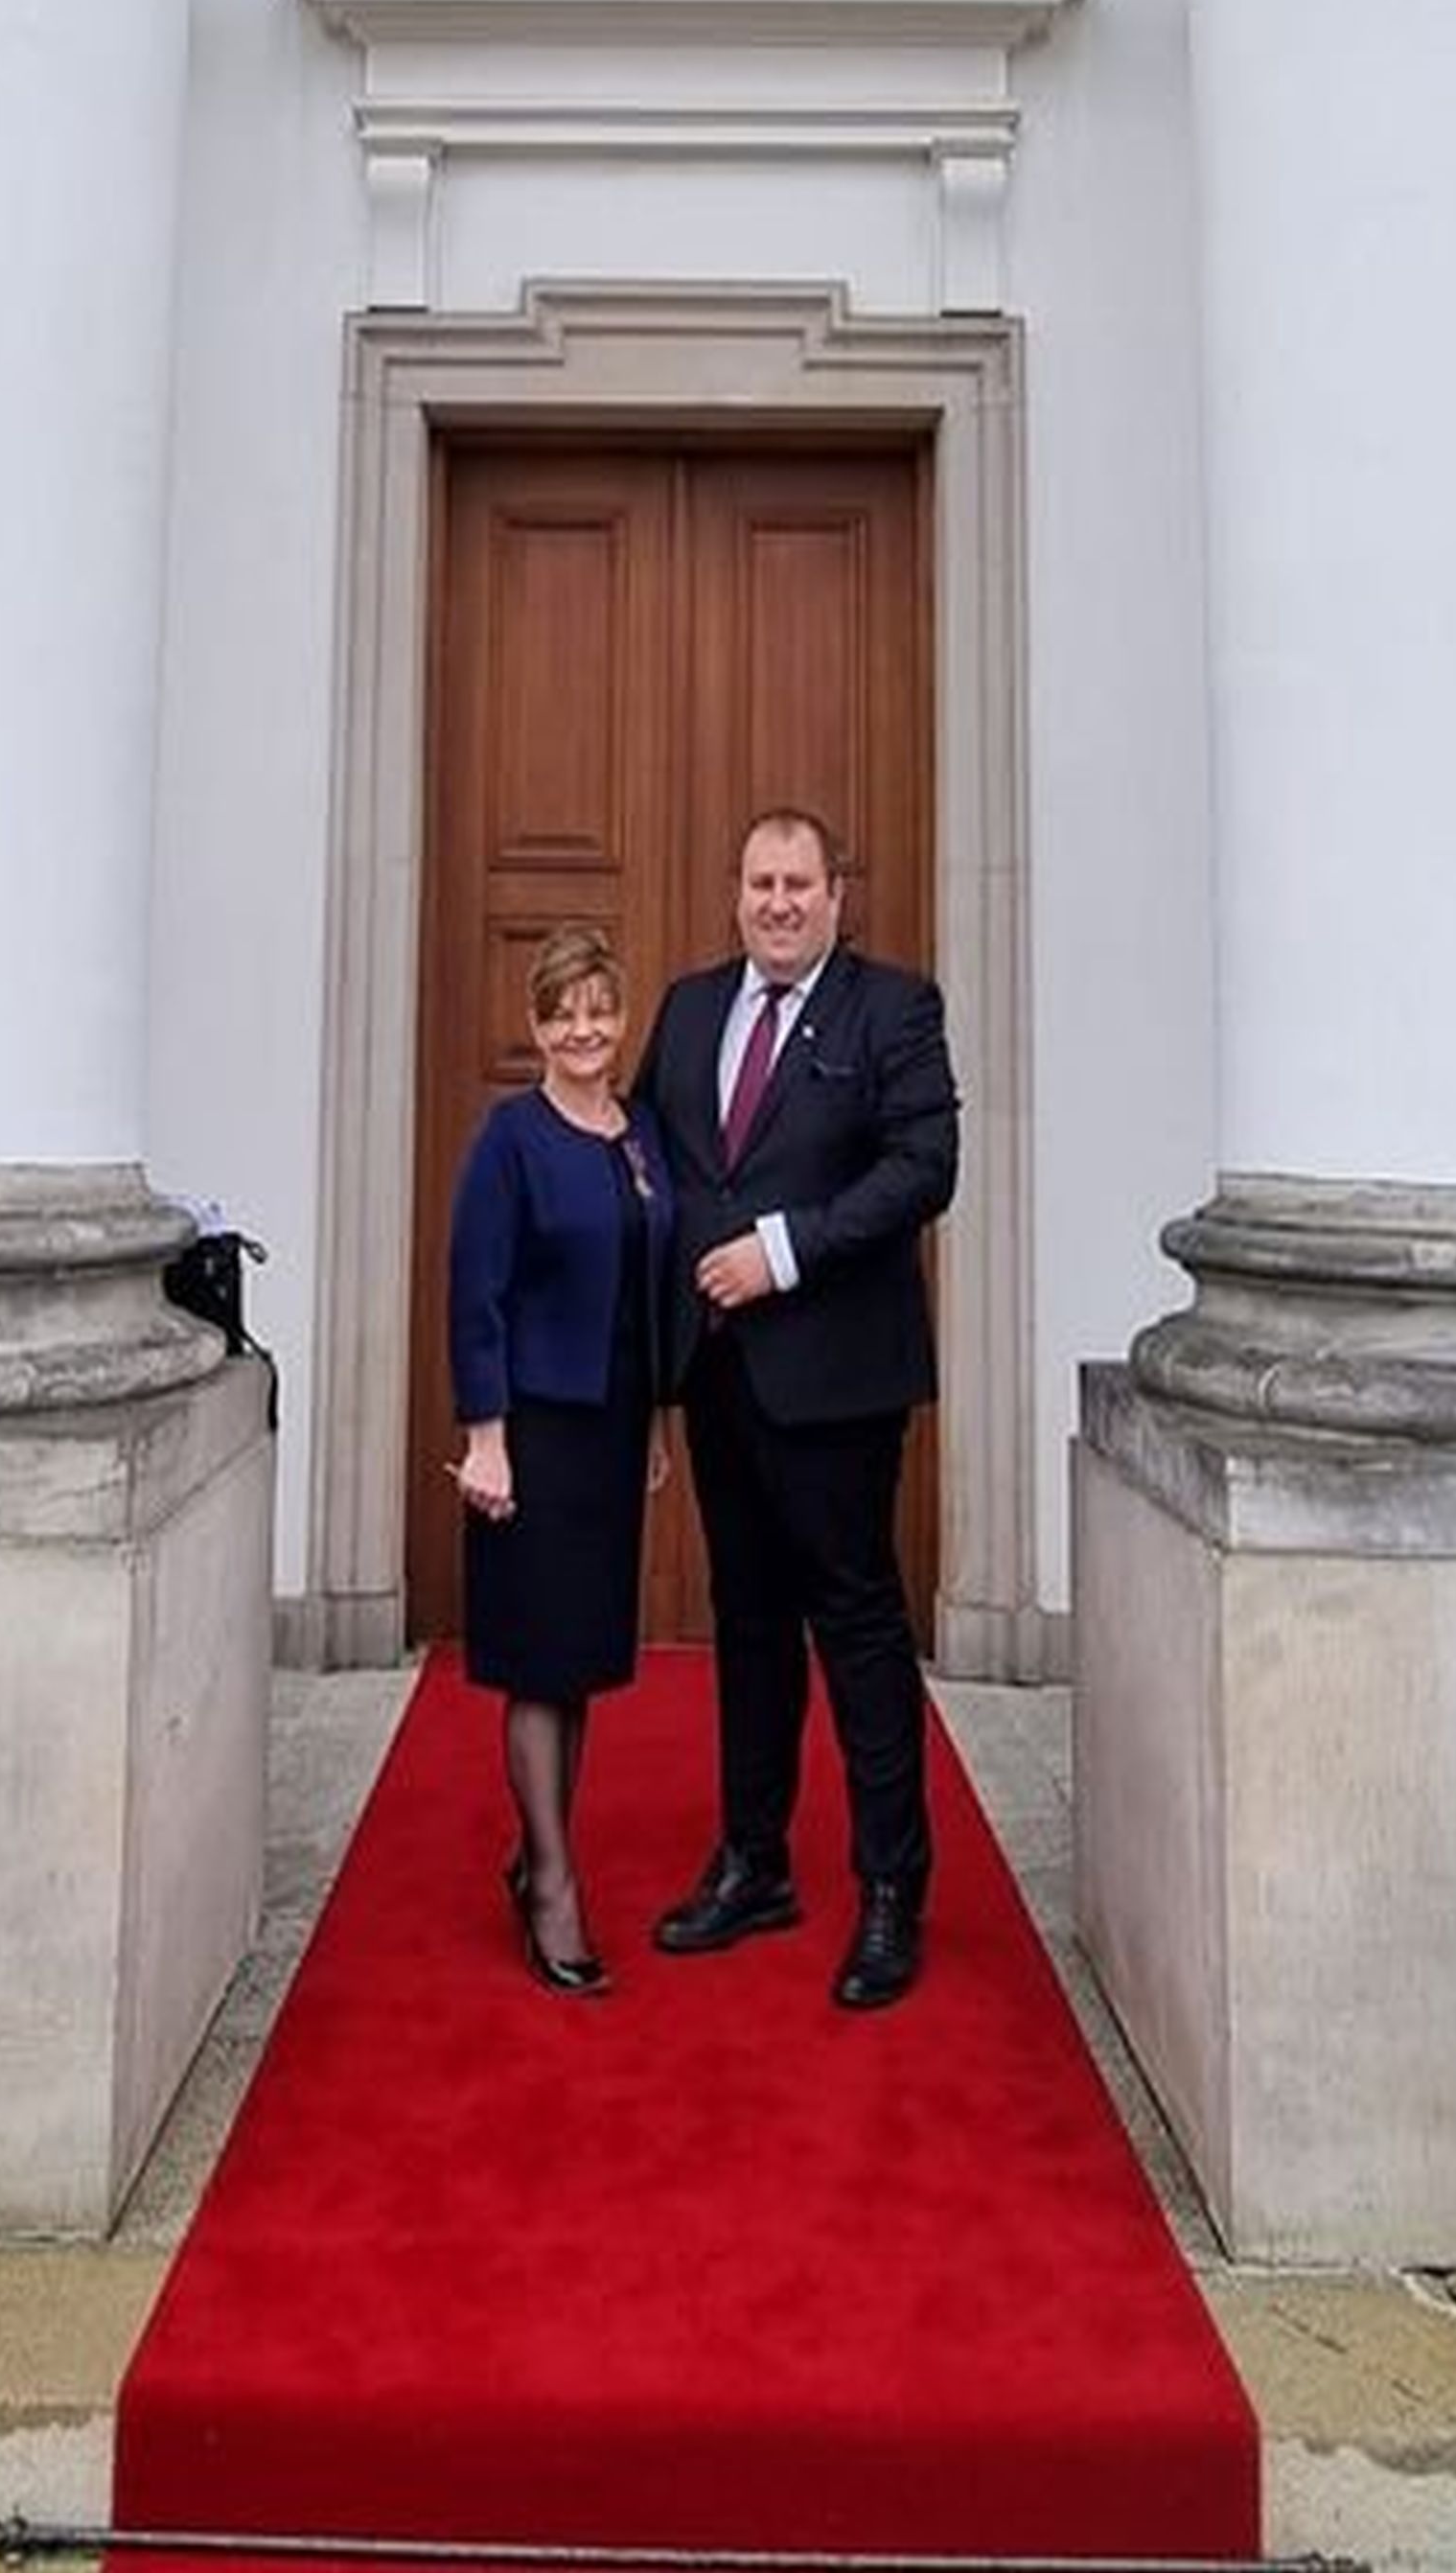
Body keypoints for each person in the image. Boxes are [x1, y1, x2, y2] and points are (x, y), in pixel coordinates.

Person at [634, 808, 959, 2010]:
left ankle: (891, 1891)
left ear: (835, 897)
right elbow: (649, 1163)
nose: (778, 902)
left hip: (837, 1380)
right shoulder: (688, 1009)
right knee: (749, 1621)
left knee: (858, 1626)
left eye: (799, 884)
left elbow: (924, 1170)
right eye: (761, 882)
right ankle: (754, 1862)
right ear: (738, 893)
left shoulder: (894, 1011)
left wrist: (783, 1250)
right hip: (719, 1376)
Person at [447, 924, 677, 1997]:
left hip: (613, 1427)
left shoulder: (641, 1137)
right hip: (533, 1432)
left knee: (578, 1656)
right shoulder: (511, 1139)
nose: (584, 1030)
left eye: (600, 1009)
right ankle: (551, 1883)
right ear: (536, 1026)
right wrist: (485, 1439)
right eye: (563, 1013)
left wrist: (658, 1422)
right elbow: (475, 1295)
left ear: (620, 1018)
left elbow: (650, 1292)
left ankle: (541, 1852)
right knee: (539, 1661)